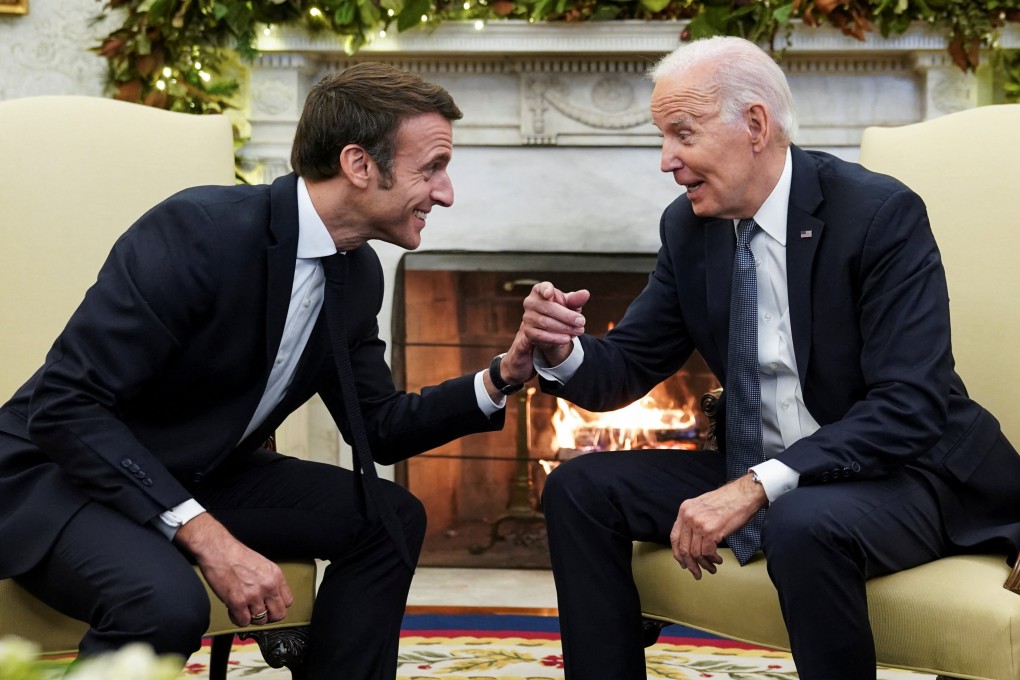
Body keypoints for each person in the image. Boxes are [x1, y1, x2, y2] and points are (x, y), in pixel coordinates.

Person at [502, 36, 1020, 679]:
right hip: (768, 464)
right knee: (581, 489)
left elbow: (908, 406)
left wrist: (754, 486)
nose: (667, 160)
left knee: (800, 520)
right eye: (662, 137)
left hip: (908, 474)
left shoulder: (879, 214)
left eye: (682, 134)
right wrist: (564, 351)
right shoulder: (689, 227)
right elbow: (630, 363)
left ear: (754, 125)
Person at [0, 63, 526, 679]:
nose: (446, 192)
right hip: (62, 476)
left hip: (201, 469)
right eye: (431, 168)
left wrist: (504, 374)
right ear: (359, 165)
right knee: (164, 604)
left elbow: (379, 427)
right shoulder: (199, 231)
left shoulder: (356, 273)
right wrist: (209, 538)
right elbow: (66, 405)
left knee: (390, 518)